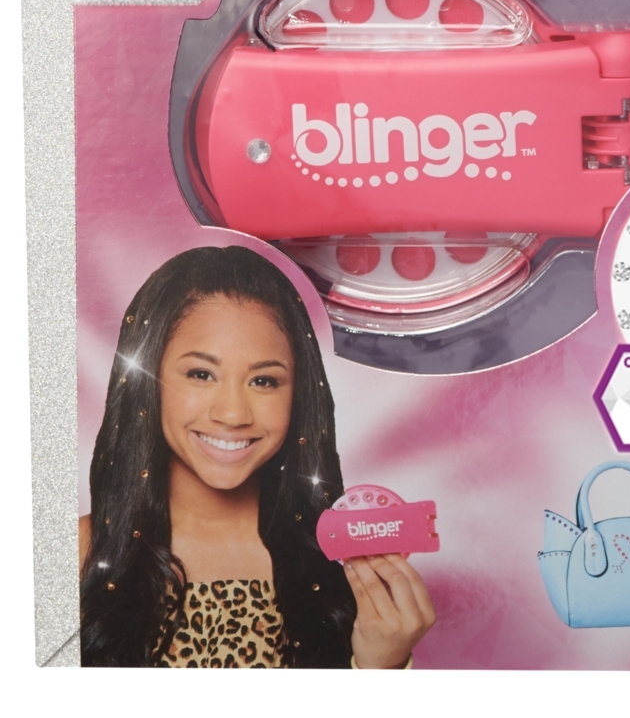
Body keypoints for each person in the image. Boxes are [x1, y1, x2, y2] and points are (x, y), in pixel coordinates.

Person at [79, 245, 434, 667]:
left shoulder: (341, 564)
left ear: (298, 393)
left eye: (264, 381)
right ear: (147, 382)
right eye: (201, 374)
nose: (233, 414)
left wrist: (382, 667)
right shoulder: (77, 554)